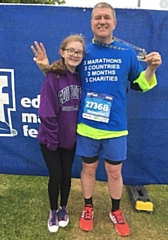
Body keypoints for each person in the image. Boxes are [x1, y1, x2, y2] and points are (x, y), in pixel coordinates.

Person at [31, 2, 162, 237]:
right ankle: (87, 207)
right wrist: (45, 68)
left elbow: (138, 85)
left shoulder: (126, 53)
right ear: (91, 23)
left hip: (115, 127)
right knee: (88, 170)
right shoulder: (83, 52)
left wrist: (151, 69)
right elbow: (63, 78)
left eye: (106, 17)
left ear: (114, 22)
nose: (102, 21)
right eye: (97, 17)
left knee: (114, 172)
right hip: (87, 127)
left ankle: (115, 210)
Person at [31, 34, 85, 233]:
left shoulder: (80, 78)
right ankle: (53, 210)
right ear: (62, 52)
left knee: (66, 176)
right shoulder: (52, 78)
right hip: (50, 141)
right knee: (56, 175)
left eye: (79, 51)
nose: (74, 54)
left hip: (69, 141)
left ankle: (64, 208)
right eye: (71, 50)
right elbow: (46, 113)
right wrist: (53, 141)